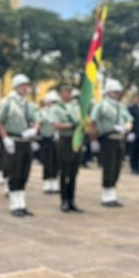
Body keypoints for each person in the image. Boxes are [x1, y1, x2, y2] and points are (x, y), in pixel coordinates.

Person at [0, 73, 39, 216]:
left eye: (27, 86)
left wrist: (34, 130)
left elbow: (37, 119)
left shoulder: (29, 105)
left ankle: (21, 204)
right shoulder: (8, 103)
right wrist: (5, 138)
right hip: (14, 141)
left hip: (26, 140)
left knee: (25, 172)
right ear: (16, 87)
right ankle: (14, 205)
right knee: (15, 173)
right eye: (23, 86)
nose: (25, 88)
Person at [89, 79, 132, 207]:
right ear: (108, 92)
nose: (117, 94)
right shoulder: (101, 105)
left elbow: (129, 120)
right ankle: (106, 195)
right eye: (114, 92)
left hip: (119, 138)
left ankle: (112, 193)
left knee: (117, 167)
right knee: (109, 167)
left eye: (118, 92)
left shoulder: (121, 106)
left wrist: (126, 128)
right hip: (107, 139)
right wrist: (93, 140)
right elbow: (93, 123)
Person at [52, 83, 83, 212]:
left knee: (74, 172)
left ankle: (72, 200)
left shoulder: (77, 107)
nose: (68, 94)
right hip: (65, 140)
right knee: (65, 172)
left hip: (76, 140)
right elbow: (56, 124)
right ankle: (64, 200)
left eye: (70, 92)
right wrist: (71, 125)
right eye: (66, 92)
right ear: (61, 94)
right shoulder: (57, 108)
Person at [37, 90, 59, 195]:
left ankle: (54, 181)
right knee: (47, 161)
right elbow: (40, 122)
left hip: (57, 139)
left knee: (56, 161)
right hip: (46, 138)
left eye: (55, 102)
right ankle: (46, 182)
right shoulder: (42, 112)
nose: (54, 104)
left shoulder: (58, 112)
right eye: (52, 102)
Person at [126, 94, 139, 174]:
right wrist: (130, 132)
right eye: (137, 99)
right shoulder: (130, 109)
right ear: (134, 99)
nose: (138, 100)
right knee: (133, 152)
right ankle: (133, 168)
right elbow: (128, 121)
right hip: (133, 134)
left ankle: (138, 167)